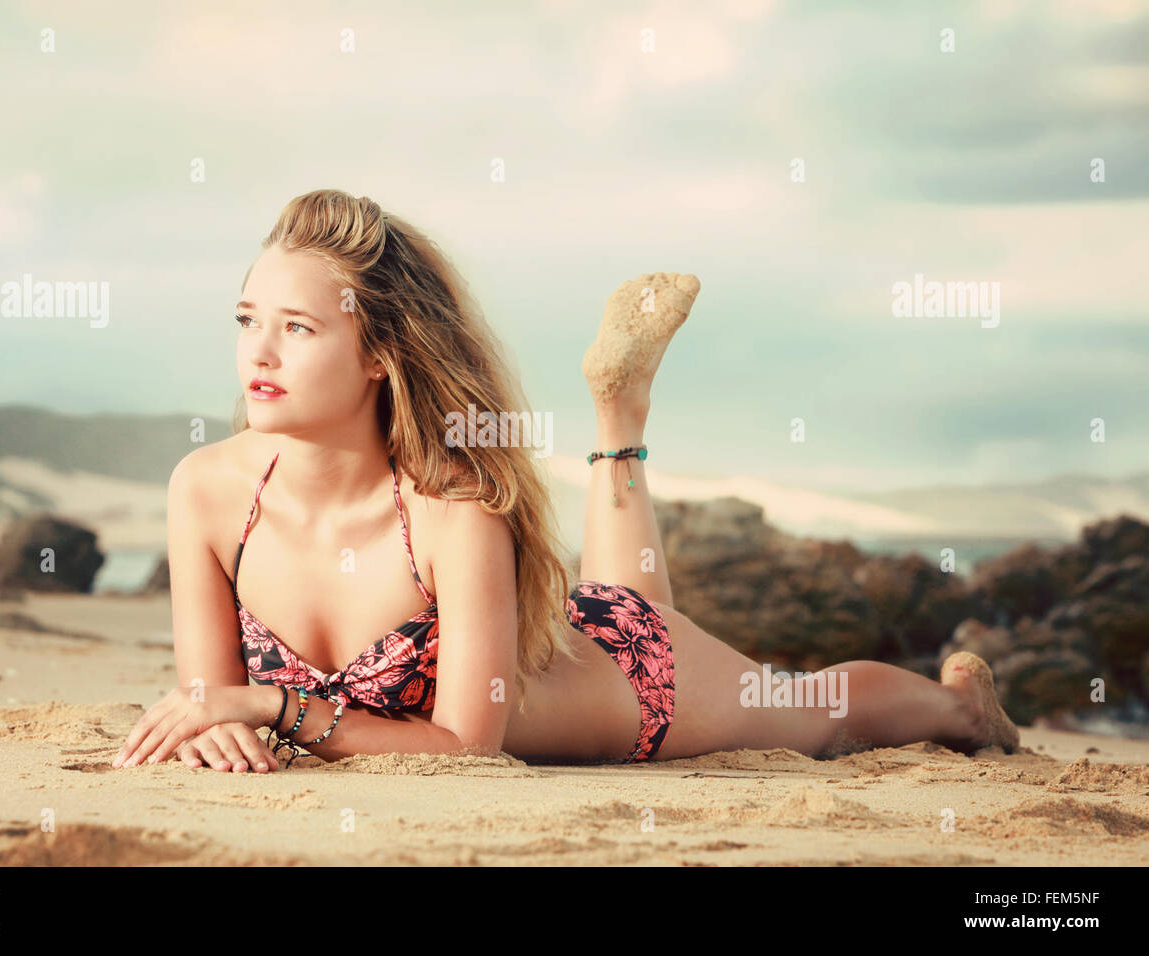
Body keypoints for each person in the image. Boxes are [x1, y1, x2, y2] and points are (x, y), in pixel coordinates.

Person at [113, 189, 1020, 773]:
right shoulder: (204, 490)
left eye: (297, 329)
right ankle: (618, 422)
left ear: (381, 353)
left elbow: (465, 748)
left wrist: (271, 706)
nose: (257, 353)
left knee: (808, 711)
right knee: (620, 591)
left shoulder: (452, 512)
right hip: (561, 632)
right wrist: (222, 719)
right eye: (246, 320)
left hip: (635, 683)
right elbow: (209, 702)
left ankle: (960, 706)